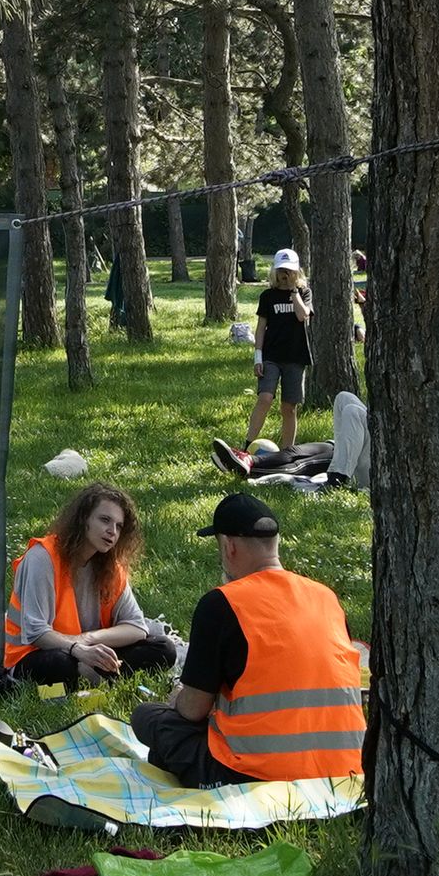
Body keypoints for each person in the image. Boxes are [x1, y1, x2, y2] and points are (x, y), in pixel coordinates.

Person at [135, 490, 369, 790]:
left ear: (229, 547)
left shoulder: (222, 603)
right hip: (344, 767)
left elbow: (193, 709)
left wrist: (178, 697)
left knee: (148, 717)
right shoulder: (326, 597)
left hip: (253, 773)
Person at [3, 483, 177, 688]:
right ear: (83, 519)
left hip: (86, 649)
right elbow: (37, 633)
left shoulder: (112, 567)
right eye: (105, 520)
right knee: (60, 664)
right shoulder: (42, 558)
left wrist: (88, 640)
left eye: (118, 526)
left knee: (163, 648)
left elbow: (137, 627)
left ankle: (90, 675)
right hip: (35, 653)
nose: (112, 531)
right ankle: (95, 676)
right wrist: (77, 648)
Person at [247, 252, 314, 453]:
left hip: (295, 356)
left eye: (289, 270)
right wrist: (258, 356)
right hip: (271, 356)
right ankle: (247, 444)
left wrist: (294, 292)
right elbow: (260, 328)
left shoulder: (304, 293)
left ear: (297, 271)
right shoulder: (267, 296)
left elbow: (303, 316)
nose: (285, 274)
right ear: (275, 271)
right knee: (265, 398)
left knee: (289, 407)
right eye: (282, 270)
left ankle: (287, 452)